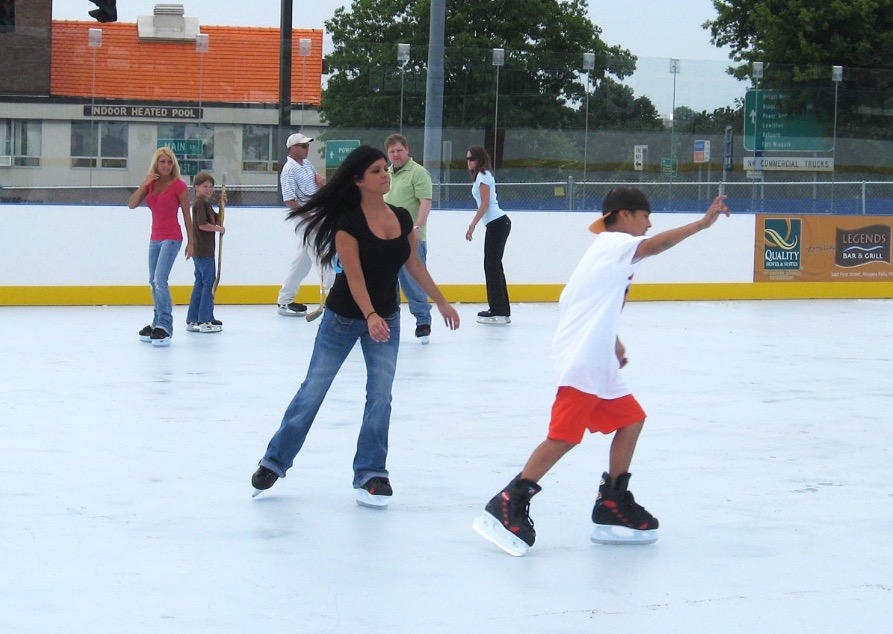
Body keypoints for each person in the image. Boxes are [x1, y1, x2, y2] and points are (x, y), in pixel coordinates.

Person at [473, 187, 731, 556]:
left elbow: (582, 300)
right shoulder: (613, 243)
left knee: (631, 420)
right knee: (563, 436)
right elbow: (655, 246)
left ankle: (612, 501)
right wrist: (703, 224)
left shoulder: (607, 253)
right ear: (625, 215)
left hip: (598, 358)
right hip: (582, 360)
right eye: (645, 216)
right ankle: (507, 502)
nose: (649, 224)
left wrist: (612, 340)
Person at [251, 145, 460, 508]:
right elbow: (356, 278)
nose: (385, 175)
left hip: (387, 320)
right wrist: (371, 315)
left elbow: (414, 266)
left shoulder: (401, 217)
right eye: (377, 171)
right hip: (345, 318)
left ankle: (371, 472)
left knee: (381, 396)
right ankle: (274, 461)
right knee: (312, 391)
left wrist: (439, 301)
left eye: (385, 170)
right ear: (359, 180)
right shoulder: (347, 222)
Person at [128, 146, 194, 347]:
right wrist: (144, 183)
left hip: (172, 238)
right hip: (155, 238)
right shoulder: (151, 184)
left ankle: (165, 324)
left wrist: (192, 242)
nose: (166, 165)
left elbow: (186, 215)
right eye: (162, 162)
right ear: (156, 164)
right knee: (152, 280)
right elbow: (131, 204)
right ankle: (156, 321)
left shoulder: (179, 186)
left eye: (169, 162)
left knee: (160, 279)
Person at [383, 133, 434, 344]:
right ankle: (388, 322)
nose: (396, 154)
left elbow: (425, 202)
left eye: (399, 150)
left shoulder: (418, 172)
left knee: (413, 282)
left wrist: (417, 227)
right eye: (392, 151)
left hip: (410, 239)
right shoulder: (385, 174)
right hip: (385, 240)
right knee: (385, 284)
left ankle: (423, 321)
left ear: (407, 150)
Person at [276, 132, 334, 317]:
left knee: (302, 260)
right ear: (292, 148)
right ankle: (335, 296)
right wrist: (310, 219)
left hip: (315, 216)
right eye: (303, 146)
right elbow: (290, 200)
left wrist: (319, 179)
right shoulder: (288, 169)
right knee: (322, 255)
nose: (307, 148)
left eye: (307, 145)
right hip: (305, 220)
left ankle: (285, 301)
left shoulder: (306, 165)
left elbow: (317, 181)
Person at [464, 145, 511, 325]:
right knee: (493, 266)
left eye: (472, 159)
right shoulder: (483, 176)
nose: (468, 162)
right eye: (467, 159)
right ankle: (501, 310)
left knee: (492, 266)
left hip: (497, 223)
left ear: (480, 159)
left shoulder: (483, 176)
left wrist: (472, 225)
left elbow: (485, 204)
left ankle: (498, 310)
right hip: (497, 224)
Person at [186, 172, 225, 334]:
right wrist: (218, 229)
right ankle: (204, 319)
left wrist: (222, 204)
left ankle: (193, 318)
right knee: (208, 282)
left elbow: (215, 219)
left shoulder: (205, 204)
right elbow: (203, 225)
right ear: (196, 188)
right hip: (204, 251)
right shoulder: (200, 204)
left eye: (211, 186)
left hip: (202, 250)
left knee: (201, 283)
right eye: (205, 186)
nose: (208, 189)